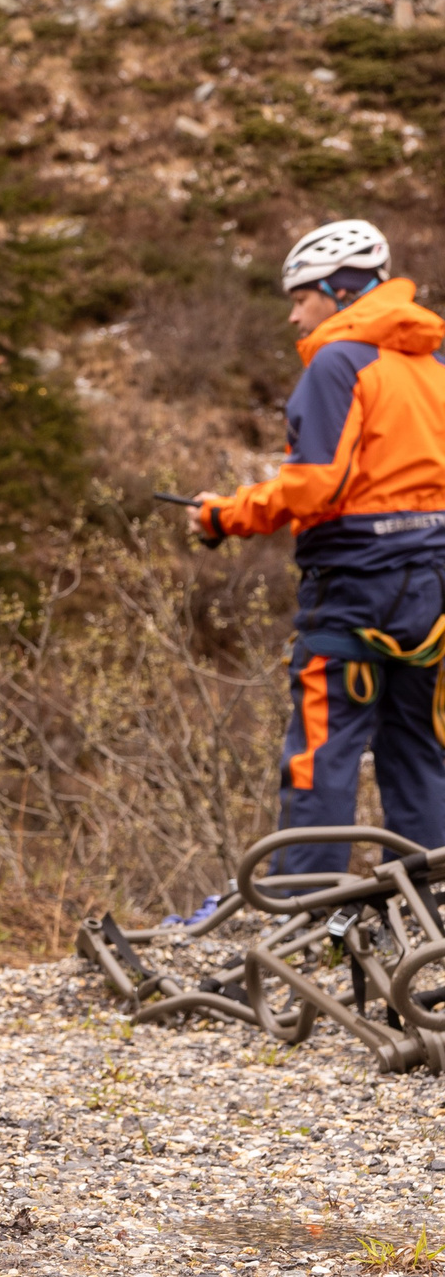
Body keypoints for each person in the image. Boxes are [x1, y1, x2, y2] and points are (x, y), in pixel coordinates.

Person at [191, 219, 445, 872]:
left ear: (338, 291)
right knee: (420, 745)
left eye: (301, 296)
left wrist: (225, 514)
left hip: (356, 583)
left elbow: (311, 487)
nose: (294, 312)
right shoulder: (433, 362)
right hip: (433, 587)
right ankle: (430, 911)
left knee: (324, 745)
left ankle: (304, 912)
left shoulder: (338, 362)